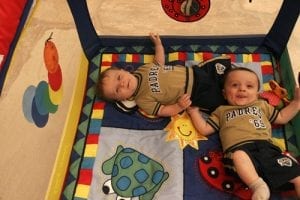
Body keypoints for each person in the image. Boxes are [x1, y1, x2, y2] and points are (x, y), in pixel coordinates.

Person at [187, 67, 300, 200]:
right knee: (239, 156)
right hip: (238, 150)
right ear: (224, 93)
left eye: (249, 86)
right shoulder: (221, 111)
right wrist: (194, 113)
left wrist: (297, 103)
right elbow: (205, 129)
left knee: (297, 176)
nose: (242, 89)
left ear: (257, 94)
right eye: (235, 85)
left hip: (268, 150)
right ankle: (258, 185)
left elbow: (282, 117)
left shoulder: (261, 105)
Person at [97, 33, 231, 117]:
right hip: (195, 93)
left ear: (124, 71)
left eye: (119, 77)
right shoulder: (142, 100)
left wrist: (158, 46)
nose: (121, 83)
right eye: (117, 90)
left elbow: (158, 62)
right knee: (223, 102)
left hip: (196, 72)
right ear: (121, 99)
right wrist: (179, 106)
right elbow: (162, 111)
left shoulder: (142, 70)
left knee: (226, 73)